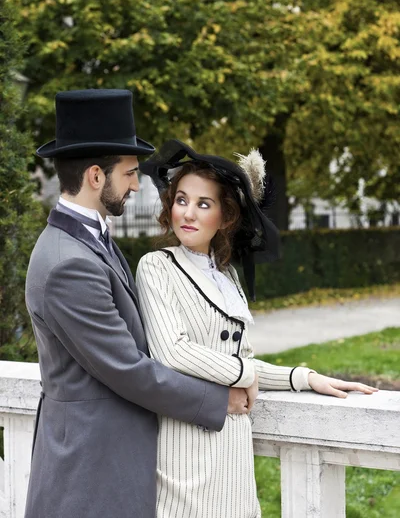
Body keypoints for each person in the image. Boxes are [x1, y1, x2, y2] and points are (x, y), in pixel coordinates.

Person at [24, 91, 249, 518]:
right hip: (91, 473)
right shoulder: (66, 264)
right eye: (129, 173)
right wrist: (218, 402)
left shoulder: (87, 240)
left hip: (110, 462)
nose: (136, 183)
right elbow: (127, 368)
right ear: (95, 176)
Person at [136, 139, 378, 518]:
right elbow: (173, 351)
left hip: (233, 448)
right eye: (182, 199)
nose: (189, 213)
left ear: (225, 216)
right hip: (186, 452)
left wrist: (304, 377)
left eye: (204, 204)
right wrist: (245, 373)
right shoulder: (156, 267)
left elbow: (238, 361)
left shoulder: (227, 276)